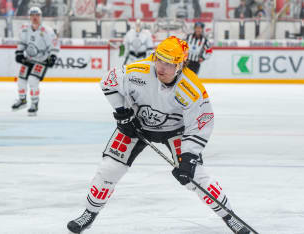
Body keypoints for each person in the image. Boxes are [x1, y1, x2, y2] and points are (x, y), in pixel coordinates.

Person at [66, 36, 250, 234]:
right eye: (158, 59)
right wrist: (122, 113)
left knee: (196, 176)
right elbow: (108, 82)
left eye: (168, 63)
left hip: (175, 131)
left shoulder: (192, 89)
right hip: (136, 125)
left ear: (179, 65)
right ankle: (89, 213)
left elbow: (200, 125)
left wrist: (188, 159)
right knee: (109, 169)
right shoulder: (139, 71)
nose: (161, 67)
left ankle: (229, 216)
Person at [11, 6, 60, 116]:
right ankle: (22, 100)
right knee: (21, 80)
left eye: (37, 15)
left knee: (33, 80)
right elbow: (22, 42)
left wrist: (53, 56)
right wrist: (19, 53)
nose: (35, 17)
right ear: (29, 16)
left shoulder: (47, 31)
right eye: (32, 15)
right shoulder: (25, 29)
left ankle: (34, 104)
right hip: (28, 59)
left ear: (40, 16)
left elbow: (55, 44)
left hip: (41, 61)